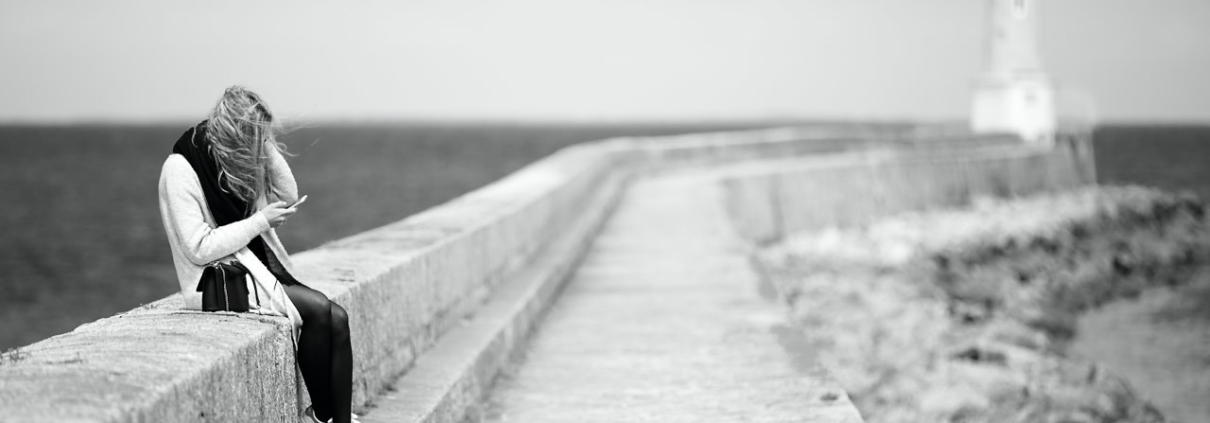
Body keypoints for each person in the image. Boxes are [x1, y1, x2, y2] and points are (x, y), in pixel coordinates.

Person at [157, 86, 356, 423]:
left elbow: (288, 193)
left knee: (338, 317)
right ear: (234, 131)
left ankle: (332, 418)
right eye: (253, 136)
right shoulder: (181, 169)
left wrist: (263, 144)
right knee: (321, 311)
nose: (257, 147)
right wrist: (260, 220)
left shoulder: (232, 159)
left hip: (254, 266)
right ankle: (323, 417)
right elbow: (199, 247)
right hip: (219, 280)